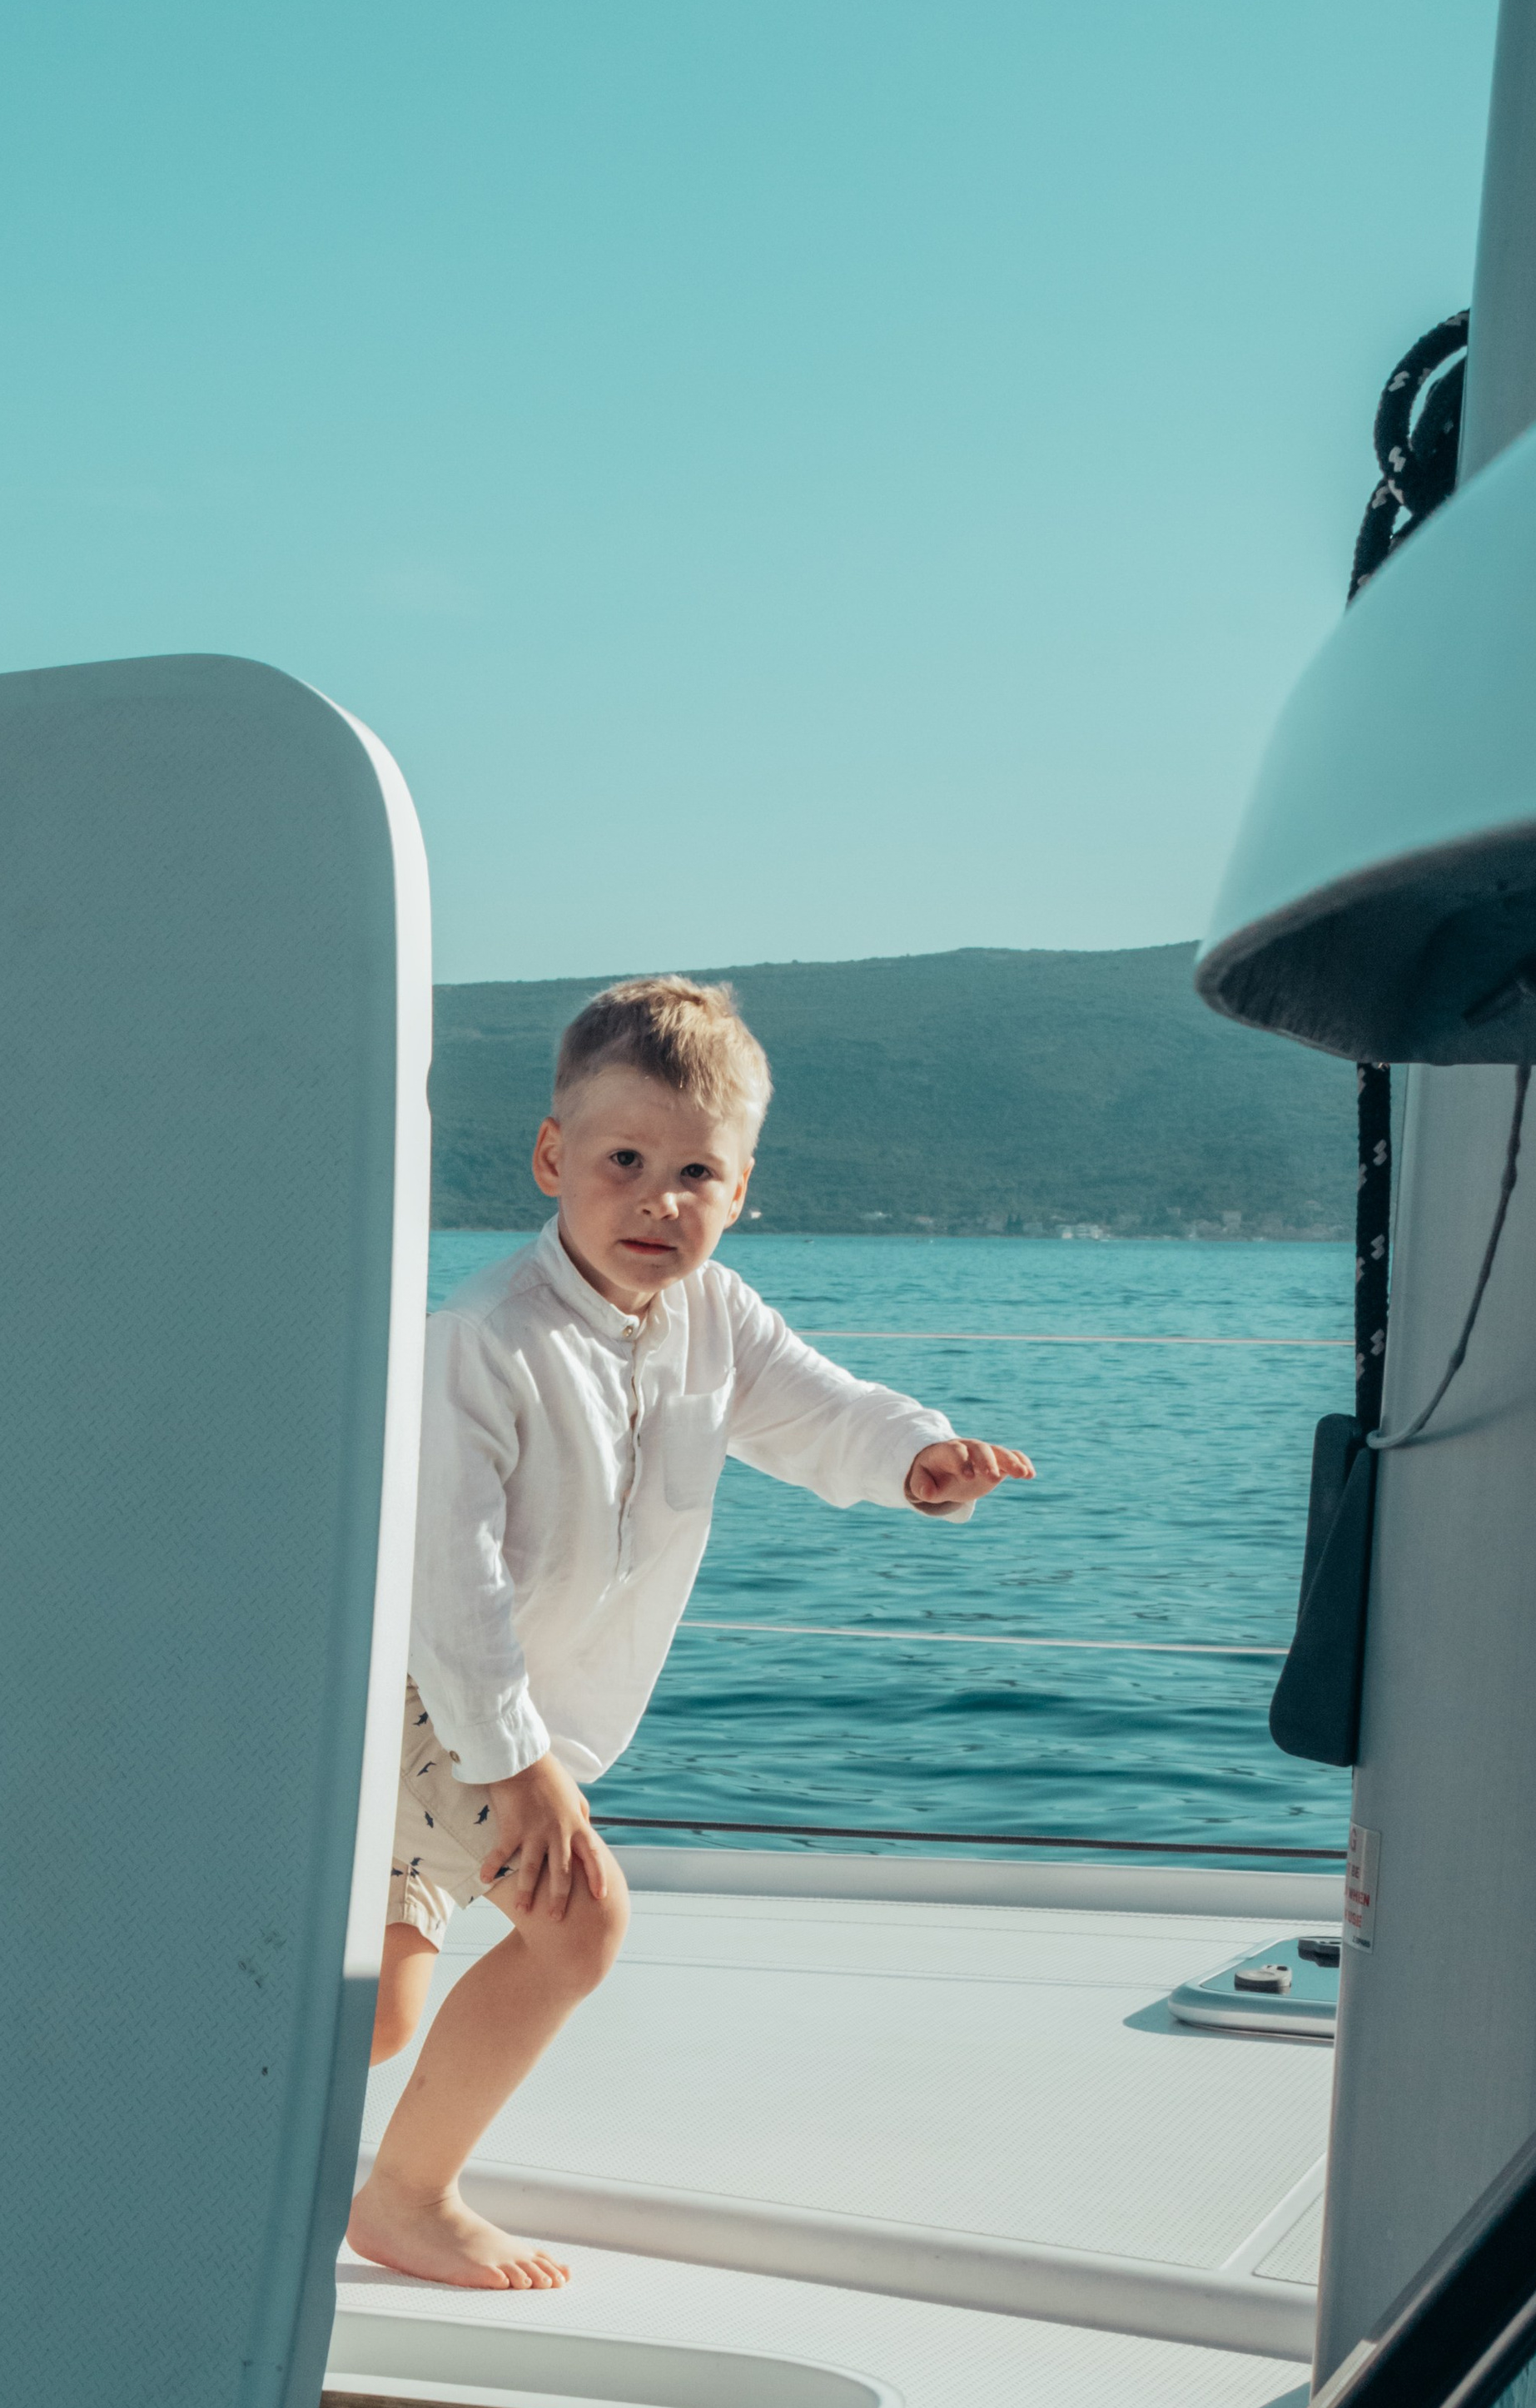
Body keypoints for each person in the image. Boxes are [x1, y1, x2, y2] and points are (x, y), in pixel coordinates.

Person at [345, 975, 1033, 2291]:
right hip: (432, 1709)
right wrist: (515, 1763)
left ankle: (371, 2180)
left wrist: (916, 1459)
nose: (661, 1199)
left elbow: (822, 1411)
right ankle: (357, 2188)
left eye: (697, 1172)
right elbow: (450, 1578)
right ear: (554, 1158)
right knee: (484, 1965)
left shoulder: (718, 1318)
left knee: (448, 1982)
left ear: (743, 1186)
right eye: (625, 1161)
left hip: (517, 1731)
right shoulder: (482, 1341)